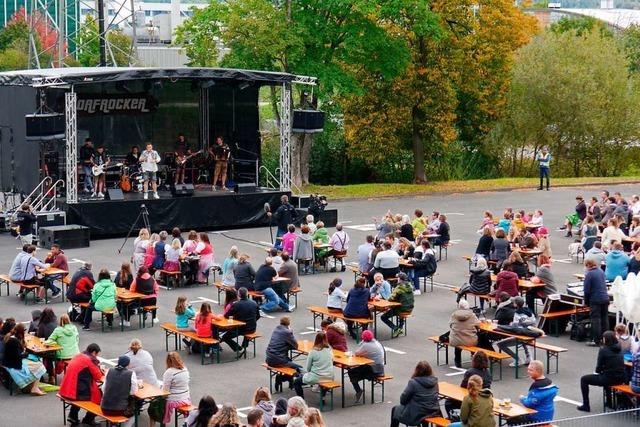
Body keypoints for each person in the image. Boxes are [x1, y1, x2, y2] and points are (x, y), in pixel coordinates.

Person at [578, 331, 626, 412]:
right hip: (621, 377)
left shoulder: (603, 350)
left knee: (584, 379)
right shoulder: (619, 348)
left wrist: (598, 371)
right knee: (607, 375)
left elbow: (598, 367)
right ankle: (609, 402)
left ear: (606, 339)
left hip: (609, 378)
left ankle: (586, 405)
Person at [59, 343, 104, 426]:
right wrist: (100, 369)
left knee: (82, 395)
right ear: (94, 352)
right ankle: (88, 419)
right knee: (98, 396)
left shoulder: (79, 355)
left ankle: (73, 416)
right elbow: (98, 376)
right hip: (75, 390)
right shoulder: (90, 360)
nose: (96, 356)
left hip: (65, 388)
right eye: (97, 354)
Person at [390, 361, 441, 427]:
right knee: (421, 408)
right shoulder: (434, 382)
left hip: (417, 413)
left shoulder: (413, 382)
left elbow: (403, 400)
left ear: (417, 370)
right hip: (433, 411)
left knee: (395, 409)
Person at [445, 351, 493, 419]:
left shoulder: (470, 372)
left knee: (449, 402)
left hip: (473, 398)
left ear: (475, 360)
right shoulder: (488, 372)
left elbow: (462, 387)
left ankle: (454, 417)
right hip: (485, 397)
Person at [2, 323, 46, 395]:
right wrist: (27, 354)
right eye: (24, 331)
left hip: (11, 361)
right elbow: (18, 355)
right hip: (13, 363)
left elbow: (17, 353)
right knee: (40, 365)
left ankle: (32, 387)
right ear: (21, 331)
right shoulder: (14, 341)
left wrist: (25, 353)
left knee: (37, 361)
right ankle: (34, 388)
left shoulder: (12, 339)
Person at [149, 352, 191, 427]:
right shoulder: (185, 369)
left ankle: (154, 425)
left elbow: (166, 391)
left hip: (174, 399)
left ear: (168, 361)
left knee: (153, 405)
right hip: (186, 398)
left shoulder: (169, 372)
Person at [293, 332, 334, 399]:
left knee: (296, 382)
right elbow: (331, 362)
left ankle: (301, 400)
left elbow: (308, 368)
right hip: (329, 376)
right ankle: (322, 397)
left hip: (317, 377)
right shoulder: (329, 350)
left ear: (316, 340)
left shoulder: (313, 352)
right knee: (322, 381)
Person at [222, 287, 260, 357]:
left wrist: (232, 319)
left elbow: (227, 316)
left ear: (239, 295)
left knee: (225, 337)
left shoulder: (236, 304)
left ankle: (239, 348)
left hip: (240, 328)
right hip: (252, 327)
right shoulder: (254, 303)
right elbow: (258, 316)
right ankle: (244, 345)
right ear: (247, 293)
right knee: (247, 328)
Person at [497, 296, 535, 367]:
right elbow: (533, 322)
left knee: (500, 344)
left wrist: (511, 325)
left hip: (522, 335)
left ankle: (518, 359)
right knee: (524, 340)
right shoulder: (529, 311)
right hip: (531, 333)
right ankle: (529, 357)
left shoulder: (517, 313)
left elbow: (515, 327)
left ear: (515, 304)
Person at [100, 355, 137, 427]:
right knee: (134, 413)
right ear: (128, 364)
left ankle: (114, 424)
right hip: (120, 410)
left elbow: (103, 389)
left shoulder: (109, 371)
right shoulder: (131, 374)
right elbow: (133, 392)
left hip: (104, 407)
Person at [266, 316, 301, 392]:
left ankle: (288, 380)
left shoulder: (276, 329)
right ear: (289, 323)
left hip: (269, 358)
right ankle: (282, 378)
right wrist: (291, 331)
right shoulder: (287, 332)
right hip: (278, 359)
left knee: (290, 361)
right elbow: (295, 346)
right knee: (298, 368)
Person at [349, 330, 385, 403]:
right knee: (358, 369)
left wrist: (362, 343)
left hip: (373, 370)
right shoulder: (377, 342)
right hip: (381, 368)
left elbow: (356, 353)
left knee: (351, 371)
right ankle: (358, 389)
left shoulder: (366, 345)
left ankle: (358, 390)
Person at [583, 258, 610, 346]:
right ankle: (606, 339)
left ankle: (596, 340)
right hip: (605, 298)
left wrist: (586, 302)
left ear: (588, 265)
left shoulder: (589, 274)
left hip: (595, 299)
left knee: (596, 320)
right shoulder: (601, 271)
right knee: (604, 319)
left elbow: (586, 290)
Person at [381, 272, 414, 338]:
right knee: (400, 306)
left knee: (383, 317)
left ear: (400, 279)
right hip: (410, 308)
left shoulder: (399, 288)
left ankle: (396, 328)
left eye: (398, 278)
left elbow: (390, 299)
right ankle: (400, 327)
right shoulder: (410, 286)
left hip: (400, 309)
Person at [448, 300, 480, 368]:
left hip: (455, 340)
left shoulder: (454, 314)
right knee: (478, 340)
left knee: (458, 342)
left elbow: (450, 325)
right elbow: (478, 325)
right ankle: (474, 359)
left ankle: (457, 361)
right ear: (467, 307)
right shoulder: (472, 315)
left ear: (459, 306)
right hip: (470, 340)